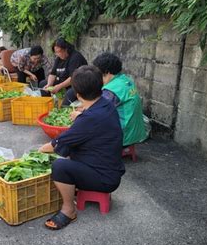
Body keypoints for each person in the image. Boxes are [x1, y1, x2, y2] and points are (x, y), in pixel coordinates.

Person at [39, 65, 125, 230]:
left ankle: (69, 210)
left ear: (78, 94)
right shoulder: (105, 103)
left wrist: (39, 150)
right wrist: (82, 114)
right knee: (70, 149)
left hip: (105, 178)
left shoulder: (89, 119)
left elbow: (56, 144)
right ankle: (75, 189)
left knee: (59, 165)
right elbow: (93, 120)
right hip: (111, 168)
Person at [68, 53, 148, 146]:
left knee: (82, 126)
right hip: (136, 132)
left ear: (107, 72)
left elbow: (96, 114)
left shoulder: (111, 90)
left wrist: (79, 115)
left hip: (123, 134)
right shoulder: (125, 79)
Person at [40, 38, 87, 104]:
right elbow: (53, 74)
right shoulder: (59, 59)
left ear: (66, 49)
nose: (57, 54)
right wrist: (49, 84)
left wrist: (59, 86)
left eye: (59, 52)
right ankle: (48, 105)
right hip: (62, 81)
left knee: (69, 94)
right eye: (55, 52)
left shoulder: (76, 57)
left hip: (76, 84)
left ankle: (63, 108)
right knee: (43, 84)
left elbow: (73, 78)